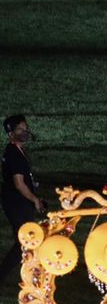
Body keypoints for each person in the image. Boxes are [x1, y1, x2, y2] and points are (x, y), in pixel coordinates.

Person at [1, 113, 43, 284]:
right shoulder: (13, 153)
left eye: (25, 128)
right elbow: (19, 184)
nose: (25, 131)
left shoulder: (16, 150)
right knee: (24, 242)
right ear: (11, 133)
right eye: (21, 129)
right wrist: (34, 200)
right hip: (17, 203)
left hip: (18, 202)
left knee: (27, 241)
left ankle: (32, 274)